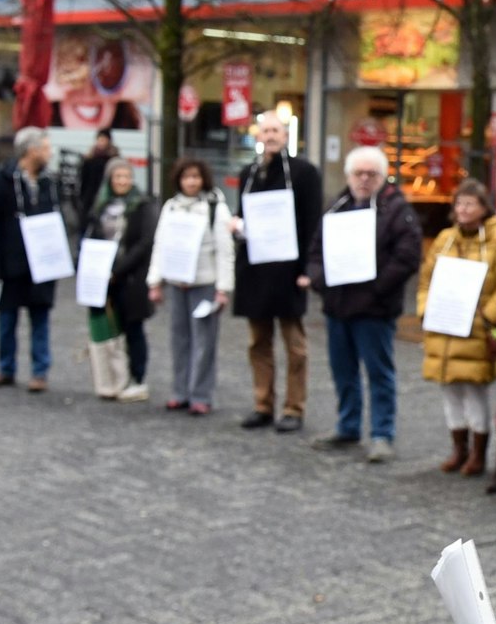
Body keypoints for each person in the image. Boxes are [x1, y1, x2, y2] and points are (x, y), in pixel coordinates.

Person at [304, 146, 423, 463]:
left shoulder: (396, 210)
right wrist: (319, 281)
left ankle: (382, 434)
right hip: (338, 306)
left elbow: (408, 256)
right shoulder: (336, 207)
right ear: (348, 176)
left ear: (383, 178)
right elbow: (316, 251)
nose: (365, 179)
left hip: (374, 309)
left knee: (379, 373)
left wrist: (376, 288)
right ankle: (348, 425)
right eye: (359, 173)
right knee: (343, 371)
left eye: (372, 174)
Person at [419, 178, 496, 477]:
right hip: (444, 326)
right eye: (459, 203)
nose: (463, 209)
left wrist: (488, 316)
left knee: (474, 392)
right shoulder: (445, 239)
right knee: (449, 389)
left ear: (483, 208)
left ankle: (478, 452)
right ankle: (458, 448)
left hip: (476, 329)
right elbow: (426, 279)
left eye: (470, 204)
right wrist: (426, 308)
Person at [230, 110, 324, 433]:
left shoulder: (305, 173)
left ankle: (294, 408)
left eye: (276, 131)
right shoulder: (248, 174)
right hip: (255, 271)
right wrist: (236, 225)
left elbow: (313, 223)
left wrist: (308, 270)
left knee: (295, 344)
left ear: (286, 136)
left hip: (288, 272)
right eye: (265, 130)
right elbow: (241, 215)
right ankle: (262, 403)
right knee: (258, 343)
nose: (270, 136)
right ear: (258, 136)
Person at [0, 126, 60, 392]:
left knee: (40, 317)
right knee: (7, 318)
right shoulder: (2, 179)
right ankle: (6, 368)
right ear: (32, 151)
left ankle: (40, 371)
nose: (50, 153)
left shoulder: (49, 181)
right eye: (46, 148)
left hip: (42, 262)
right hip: (11, 261)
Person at [151, 158, 234, 413]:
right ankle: (179, 391)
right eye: (186, 177)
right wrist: (155, 282)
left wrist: (223, 288)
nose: (191, 181)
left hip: (205, 284)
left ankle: (201, 395)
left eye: (196, 177)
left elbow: (225, 250)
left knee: (204, 342)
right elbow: (160, 244)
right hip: (178, 283)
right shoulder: (171, 207)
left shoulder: (215, 207)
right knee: (179, 340)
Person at [84, 156, 156, 403]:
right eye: (118, 177)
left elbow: (145, 242)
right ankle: (114, 376)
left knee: (134, 328)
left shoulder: (142, 205)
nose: (123, 181)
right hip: (103, 277)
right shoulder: (100, 206)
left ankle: (138, 376)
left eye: (127, 176)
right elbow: (91, 236)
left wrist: (120, 269)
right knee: (111, 328)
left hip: (131, 278)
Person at [76, 129, 117, 227]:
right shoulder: (89, 158)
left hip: (106, 196)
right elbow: (83, 179)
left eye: (104, 139)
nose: (101, 142)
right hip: (89, 196)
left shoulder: (113, 159)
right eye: (99, 139)